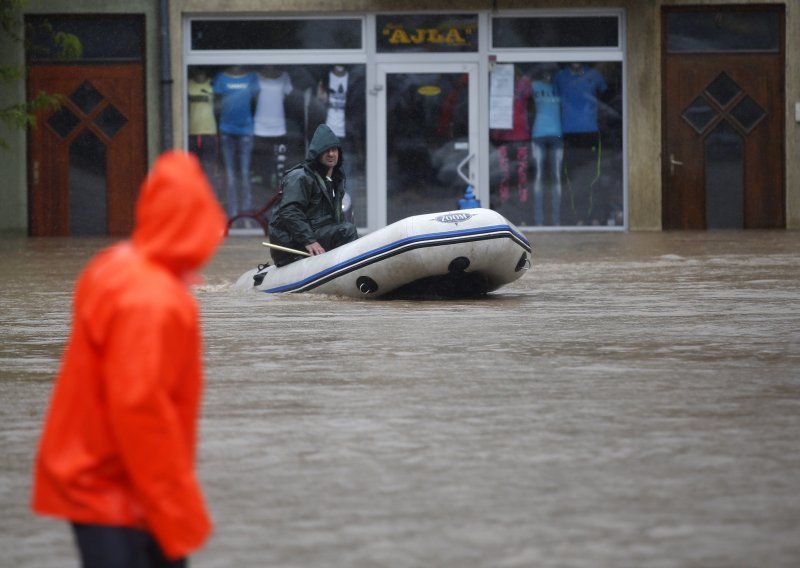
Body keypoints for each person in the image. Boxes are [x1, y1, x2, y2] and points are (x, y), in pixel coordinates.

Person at [31, 150, 226, 568]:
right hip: (119, 490)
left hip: (88, 472)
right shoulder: (155, 300)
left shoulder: (112, 267)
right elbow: (141, 410)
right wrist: (174, 511)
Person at [268, 123, 358, 266]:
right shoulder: (300, 177)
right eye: (326, 150)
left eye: (334, 149)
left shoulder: (335, 180)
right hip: (292, 244)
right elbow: (289, 212)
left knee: (345, 227)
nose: (331, 154)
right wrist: (309, 241)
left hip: (315, 235)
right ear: (316, 153)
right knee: (346, 231)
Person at [554, 62, 608, 225]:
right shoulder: (560, 76)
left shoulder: (594, 75)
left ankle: (596, 218)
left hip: (590, 132)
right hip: (569, 133)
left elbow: (606, 94)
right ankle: (576, 219)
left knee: (593, 176)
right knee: (572, 179)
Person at [213, 65, 260, 216]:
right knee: (231, 175)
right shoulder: (221, 78)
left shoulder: (252, 78)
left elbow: (255, 101)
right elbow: (217, 105)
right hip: (227, 130)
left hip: (246, 130)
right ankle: (233, 214)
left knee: (245, 174)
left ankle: (246, 213)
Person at [530, 65, 564, 226]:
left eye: (550, 73)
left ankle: (556, 221)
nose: (547, 76)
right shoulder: (533, 86)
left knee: (556, 177)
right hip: (538, 134)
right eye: (545, 72)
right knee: (538, 178)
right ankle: (538, 222)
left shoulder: (560, 87)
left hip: (557, 134)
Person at [253, 65, 293, 191]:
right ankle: (263, 197)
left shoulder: (284, 77)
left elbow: (288, 95)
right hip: (260, 127)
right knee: (262, 165)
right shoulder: (256, 77)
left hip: (279, 128)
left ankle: (279, 196)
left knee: (279, 166)